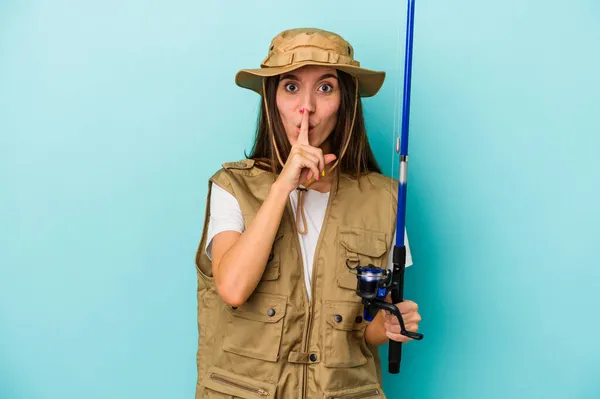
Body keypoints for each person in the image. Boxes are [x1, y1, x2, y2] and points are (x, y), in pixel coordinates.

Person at [194, 27, 422, 399]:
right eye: (291, 87)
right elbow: (233, 288)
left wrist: (386, 326)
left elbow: (362, 331)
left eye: (325, 88)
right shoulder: (231, 186)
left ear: (345, 100)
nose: (307, 107)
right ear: (272, 99)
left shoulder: (386, 199)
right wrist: (283, 185)